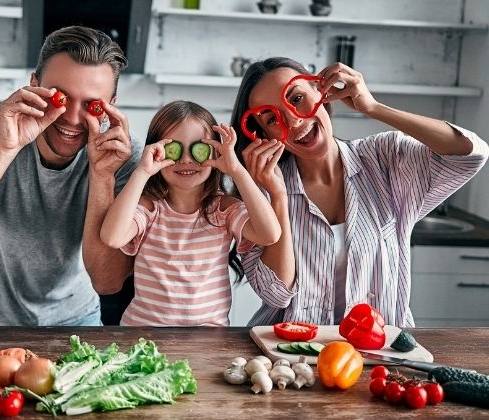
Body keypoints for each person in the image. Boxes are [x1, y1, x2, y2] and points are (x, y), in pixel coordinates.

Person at [0, 26, 141, 326]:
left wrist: (102, 175)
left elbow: (107, 281)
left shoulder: (121, 153)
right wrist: (5, 148)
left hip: (76, 322)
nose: (71, 119)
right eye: (61, 97)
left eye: (91, 105)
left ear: (112, 105)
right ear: (34, 85)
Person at [230, 57, 489, 327]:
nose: (294, 121)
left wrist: (374, 108)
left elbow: (470, 154)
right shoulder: (259, 192)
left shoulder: (385, 159)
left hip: (380, 350)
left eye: (296, 99)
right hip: (289, 355)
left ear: (321, 91)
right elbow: (276, 295)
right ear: (263, 135)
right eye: (273, 118)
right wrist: (278, 197)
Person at [100, 100, 290, 326]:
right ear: (157, 152)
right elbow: (112, 237)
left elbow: (270, 234)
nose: (186, 159)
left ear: (216, 151)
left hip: (207, 338)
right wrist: (142, 171)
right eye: (174, 149)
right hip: (142, 333)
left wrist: (237, 170)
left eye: (199, 148)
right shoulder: (150, 208)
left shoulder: (223, 210)